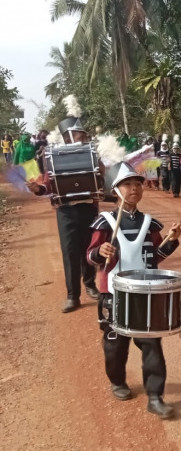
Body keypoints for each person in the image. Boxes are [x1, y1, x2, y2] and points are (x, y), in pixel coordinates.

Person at [86, 162, 181, 419]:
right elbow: (91, 256)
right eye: (127, 184)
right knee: (115, 346)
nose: (134, 188)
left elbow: (156, 258)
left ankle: (155, 396)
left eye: (138, 184)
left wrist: (171, 240)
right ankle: (117, 381)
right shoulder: (104, 222)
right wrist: (100, 251)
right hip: (113, 295)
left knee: (152, 344)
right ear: (116, 190)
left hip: (145, 293)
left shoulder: (150, 224)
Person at [26, 95, 100, 312]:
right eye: (77, 134)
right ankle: (72, 295)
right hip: (66, 211)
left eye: (83, 135)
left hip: (89, 207)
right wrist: (38, 189)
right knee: (69, 251)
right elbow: (48, 184)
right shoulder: (54, 157)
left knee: (90, 248)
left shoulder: (93, 153)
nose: (81, 138)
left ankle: (90, 285)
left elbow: (100, 178)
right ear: (67, 137)